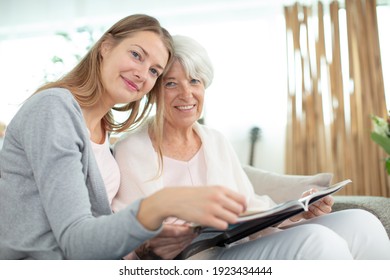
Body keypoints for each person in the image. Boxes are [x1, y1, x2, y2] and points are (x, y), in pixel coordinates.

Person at [112, 35, 390, 260]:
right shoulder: (131, 149)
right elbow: (123, 232)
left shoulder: (214, 139)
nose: (187, 94)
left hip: (235, 244)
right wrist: (148, 247)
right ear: (154, 92)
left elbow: (251, 207)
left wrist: (299, 210)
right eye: (171, 83)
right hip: (195, 260)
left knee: (362, 222)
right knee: (317, 241)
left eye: (194, 81)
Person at [0, 15, 248, 260]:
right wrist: (160, 204)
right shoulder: (53, 109)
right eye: (136, 55)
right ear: (106, 47)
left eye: (153, 71)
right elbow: (76, 243)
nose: (141, 73)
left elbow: (99, 232)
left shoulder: (101, 128)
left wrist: (145, 246)